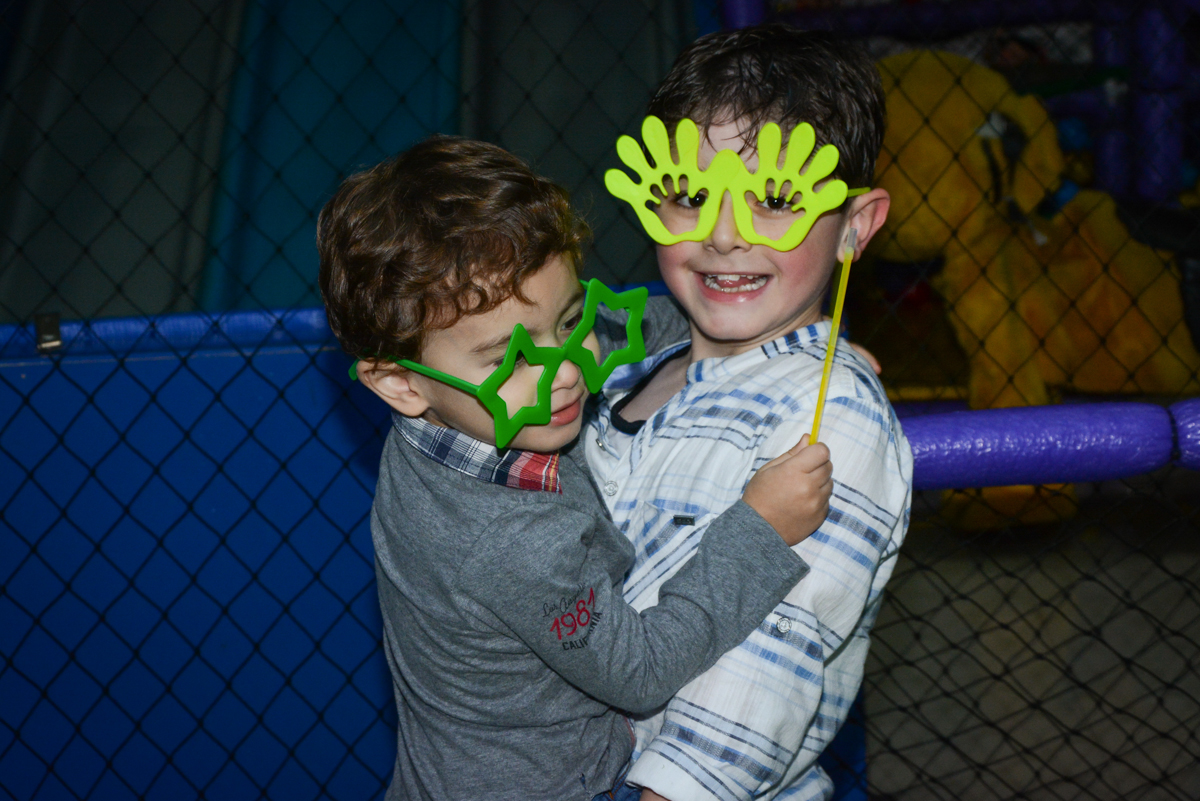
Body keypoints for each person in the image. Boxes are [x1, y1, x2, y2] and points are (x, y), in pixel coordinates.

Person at [316, 135, 836, 801]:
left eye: (568, 320)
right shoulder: (506, 541)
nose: (564, 371)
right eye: (513, 357)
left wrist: (793, 338)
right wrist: (760, 526)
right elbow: (643, 670)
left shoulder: (442, 410)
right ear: (398, 384)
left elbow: (625, 326)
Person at [589, 24, 914, 801]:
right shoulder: (625, 375)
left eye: (775, 199)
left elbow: (768, 661)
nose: (724, 234)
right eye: (691, 194)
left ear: (856, 227)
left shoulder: (830, 423)